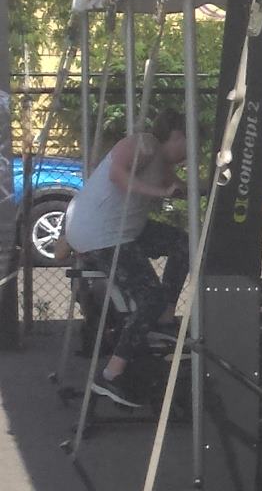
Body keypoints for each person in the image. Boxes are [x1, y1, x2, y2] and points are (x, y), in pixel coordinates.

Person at [65, 115, 191, 408]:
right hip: (102, 235)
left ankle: (163, 319)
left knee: (183, 243)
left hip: (125, 231)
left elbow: (185, 188)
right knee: (150, 297)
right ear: (174, 135)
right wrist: (161, 193)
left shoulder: (165, 166)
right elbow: (117, 175)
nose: (191, 151)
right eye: (189, 142)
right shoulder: (143, 144)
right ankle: (110, 374)